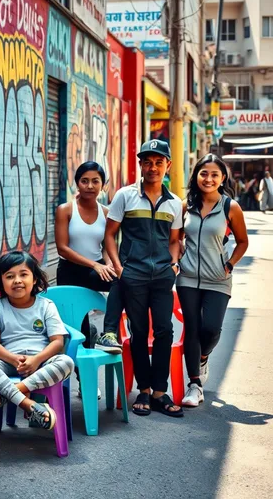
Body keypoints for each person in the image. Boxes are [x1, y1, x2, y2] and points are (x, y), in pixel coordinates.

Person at [104, 139, 184, 418]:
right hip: (132, 274)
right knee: (139, 333)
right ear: (140, 164)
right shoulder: (125, 196)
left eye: (158, 162)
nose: (152, 167)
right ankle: (144, 390)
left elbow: (175, 240)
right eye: (147, 162)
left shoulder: (174, 203)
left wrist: (173, 265)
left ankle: (160, 392)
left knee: (164, 331)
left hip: (162, 275)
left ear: (167, 166)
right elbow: (110, 236)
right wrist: (118, 267)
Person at [0, 251, 75, 430]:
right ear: (1, 282)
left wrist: (37, 360)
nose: (17, 280)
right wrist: (12, 358)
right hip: (8, 362)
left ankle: (9, 392)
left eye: (23, 274)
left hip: (41, 364)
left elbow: (57, 342)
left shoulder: (46, 306)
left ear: (34, 279)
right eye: (10, 276)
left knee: (66, 362)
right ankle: (28, 405)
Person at [178, 154, 249, 407]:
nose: (208, 179)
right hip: (187, 278)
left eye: (214, 175)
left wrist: (229, 265)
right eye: (203, 173)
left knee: (211, 329)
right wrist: (177, 258)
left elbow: (243, 242)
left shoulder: (230, 207)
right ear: (196, 176)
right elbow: (174, 237)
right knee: (193, 329)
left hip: (218, 279)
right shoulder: (186, 205)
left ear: (222, 179)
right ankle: (194, 385)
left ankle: (204, 356)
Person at [54, 161, 123, 356]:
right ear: (77, 183)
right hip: (70, 272)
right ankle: (83, 383)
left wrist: (109, 264)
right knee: (78, 332)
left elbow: (107, 247)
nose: (90, 186)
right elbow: (62, 249)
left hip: (96, 270)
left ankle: (109, 334)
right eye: (84, 181)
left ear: (103, 185)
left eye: (95, 181)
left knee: (122, 281)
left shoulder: (107, 213)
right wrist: (96, 265)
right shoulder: (65, 210)